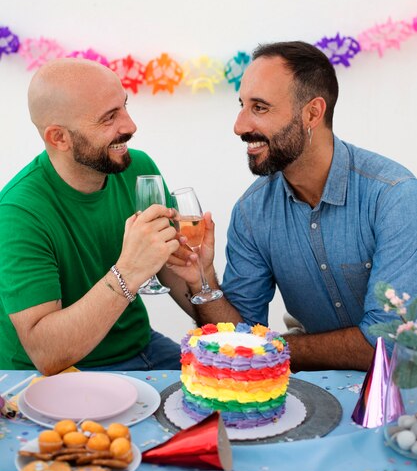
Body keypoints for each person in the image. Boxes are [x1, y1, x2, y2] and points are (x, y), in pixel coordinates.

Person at [170, 41, 417, 372]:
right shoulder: (251, 212)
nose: (239, 125)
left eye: (260, 107)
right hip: (324, 389)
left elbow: (385, 345)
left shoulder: (394, 196)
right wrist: (202, 280)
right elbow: (237, 337)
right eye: (242, 105)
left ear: (312, 113)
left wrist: (268, 347)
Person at [0, 58, 193, 374]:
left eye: (124, 106)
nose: (130, 126)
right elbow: (47, 353)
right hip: (54, 371)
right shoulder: (18, 213)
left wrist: (199, 268)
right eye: (109, 118)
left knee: (230, 402)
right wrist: (128, 271)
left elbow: (175, 270)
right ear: (59, 137)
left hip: (140, 347)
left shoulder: (138, 169)